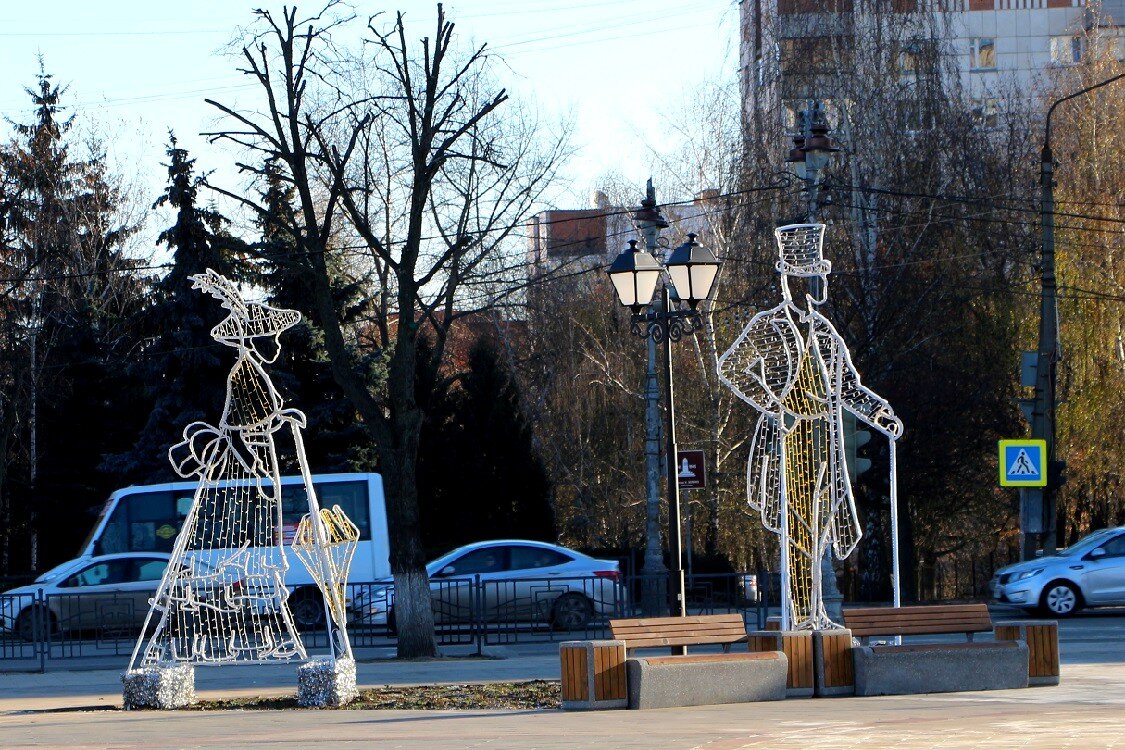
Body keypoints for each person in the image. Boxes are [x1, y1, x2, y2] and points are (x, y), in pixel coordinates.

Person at [718, 223, 902, 630]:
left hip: (826, 439)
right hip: (791, 437)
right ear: (796, 279)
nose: (822, 282)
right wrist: (773, 404)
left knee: (818, 529)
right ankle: (801, 616)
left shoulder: (824, 331)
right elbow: (731, 366)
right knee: (798, 529)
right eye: (816, 274)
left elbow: (847, 387)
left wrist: (879, 412)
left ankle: (815, 611)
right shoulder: (770, 326)